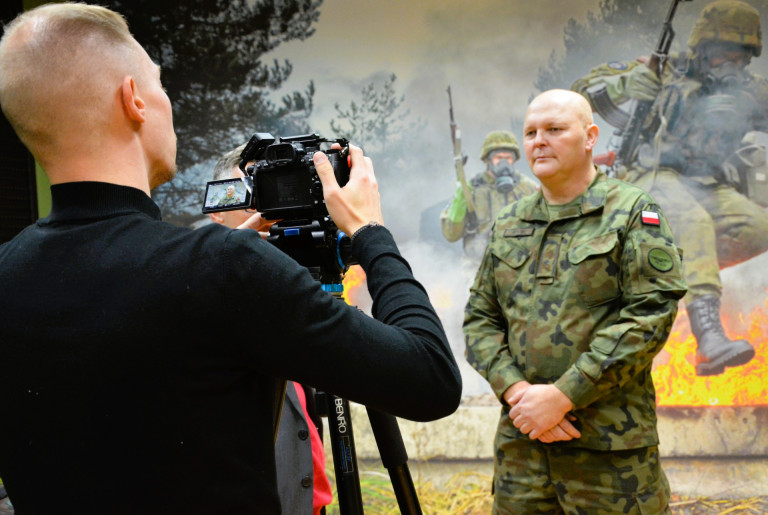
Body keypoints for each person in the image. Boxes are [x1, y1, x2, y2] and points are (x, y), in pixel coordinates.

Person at [0, 4, 462, 514]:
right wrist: (371, 232)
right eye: (160, 84)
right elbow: (431, 379)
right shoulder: (221, 270)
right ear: (134, 99)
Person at [464, 89, 686, 514]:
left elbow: (650, 316)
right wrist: (518, 392)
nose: (538, 141)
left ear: (589, 137)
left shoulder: (632, 212)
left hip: (609, 456)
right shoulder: (509, 223)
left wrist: (563, 396)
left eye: (554, 129)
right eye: (530, 132)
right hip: (523, 454)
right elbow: (480, 320)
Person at [572, 0, 768, 376]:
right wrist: (626, 84)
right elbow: (578, 92)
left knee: (756, 228)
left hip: (707, 183)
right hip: (648, 176)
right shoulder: (664, 69)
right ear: (703, 47)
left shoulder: (750, 90)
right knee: (692, 223)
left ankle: (668, 270)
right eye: (725, 50)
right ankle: (709, 340)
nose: (733, 62)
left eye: (742, 54)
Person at [208, 145, 332, 515]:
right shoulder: (199, 287)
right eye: (248, 195)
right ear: (217, 210)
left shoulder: (295, 282)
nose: (262, 210)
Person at [441, 130, 538, 261]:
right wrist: (460, 199)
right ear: (487, 160)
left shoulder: (528, 188)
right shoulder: (471, 189)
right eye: (498, 158)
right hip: (478, 266)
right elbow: (451, 235)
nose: (504, 163)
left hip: (521, 264)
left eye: (508, 158)